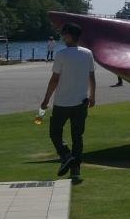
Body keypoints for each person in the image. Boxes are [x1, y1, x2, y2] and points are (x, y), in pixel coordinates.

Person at [39, 22, 96, 183]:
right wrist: (92, 96)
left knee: (55, 132)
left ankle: (65, 155)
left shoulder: (61, 55)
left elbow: (54, 79)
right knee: (77, 137)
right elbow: (91, 76)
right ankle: (75, 170)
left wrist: (46, 99)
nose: (62, 37)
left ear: (70, 36)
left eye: (64, 34)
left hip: (62, 102)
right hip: (81, 102)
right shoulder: (88, 53)